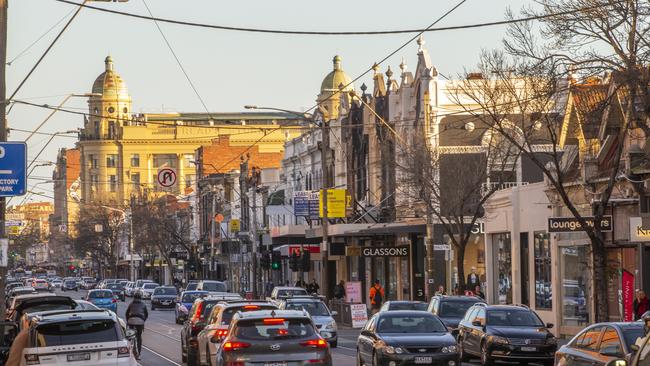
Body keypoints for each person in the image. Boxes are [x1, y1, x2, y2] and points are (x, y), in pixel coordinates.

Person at [125, 292, 148, 359]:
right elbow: (146, 314)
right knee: (139, 337)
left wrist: (128, 321)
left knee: (129, 336)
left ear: (134, 298)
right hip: (140, 321)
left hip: (131, 321)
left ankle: (129, 350)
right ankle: (139, 353)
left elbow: (127, 313)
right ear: (140, 298)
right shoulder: (143, 304)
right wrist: (143, 321)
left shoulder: (131, 304)